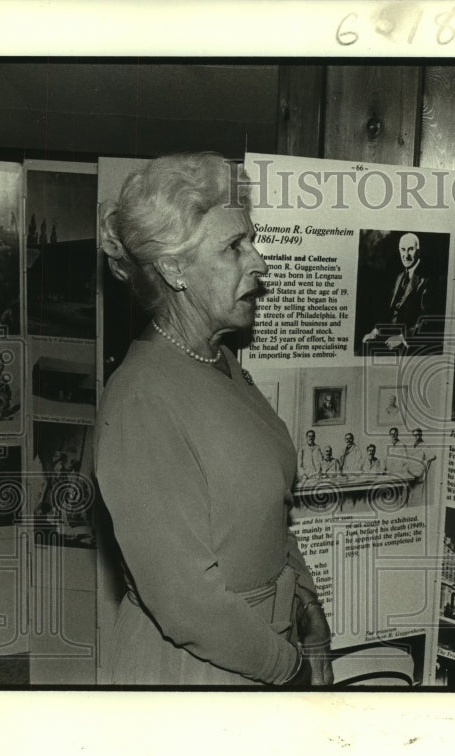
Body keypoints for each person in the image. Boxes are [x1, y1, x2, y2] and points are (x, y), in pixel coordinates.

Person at [95, 152, 333, 686]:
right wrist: (287, 669)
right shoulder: (141, 401)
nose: (260, 263)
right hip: (196, 671)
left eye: (250, 240)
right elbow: (184, 599)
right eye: (234, 248)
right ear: (175, 269)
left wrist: (308, 612)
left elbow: (269, 509)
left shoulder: (220, 361)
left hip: (258, 650)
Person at [362, 233, 434, 351]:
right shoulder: (400, 276)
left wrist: (402, 338)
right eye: (403, 250)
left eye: (410, 249)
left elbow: (428, 321)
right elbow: (391, 312)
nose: (406, 255)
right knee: (362, 348)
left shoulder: (427, 278)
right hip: (391, 338)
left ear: (418, 251)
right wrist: (376, 331)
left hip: (410, 345)